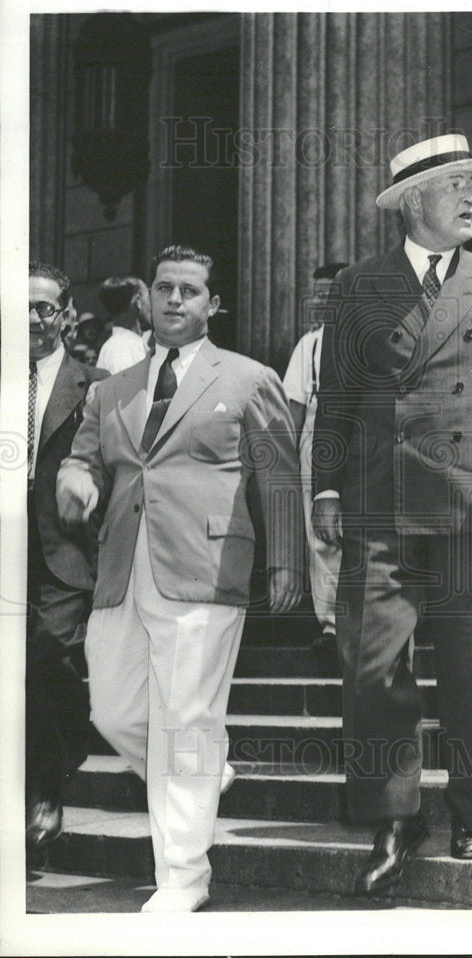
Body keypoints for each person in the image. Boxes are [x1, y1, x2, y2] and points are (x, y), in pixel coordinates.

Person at [312, 133, 472, 894]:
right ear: (414, 201)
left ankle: (471, 807)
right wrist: (325, 487)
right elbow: (337, 394)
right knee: (371, 665)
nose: (470, 196)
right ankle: (394, 818)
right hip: (378, 504)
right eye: (454, 185)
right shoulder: (360, 284)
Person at [56, 244, 303, 913]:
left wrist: (286, 559)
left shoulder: (248, 378)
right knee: (112, 711)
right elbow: (84, 459)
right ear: (147, 298)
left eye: (188, 290)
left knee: (187, 721)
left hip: (206, 568)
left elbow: (280, 475)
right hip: (121, 569)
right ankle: (203, 769)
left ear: (212, 304)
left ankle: (184, 879)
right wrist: (75, 480)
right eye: (163, 287)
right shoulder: (114, 388)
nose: (173, 299)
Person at [26, 262, 108, 853]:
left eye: (44, 307)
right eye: (21, 307)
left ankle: (47, 787)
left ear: (66, 314)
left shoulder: (98, 384)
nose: (33, 318)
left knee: (49, 653)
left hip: (65, 548)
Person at [282, 262, 348, 674]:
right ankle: (332, 625)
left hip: (366, 439)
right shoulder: (310, 345)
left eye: (332, 293)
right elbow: (294, 407)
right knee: (323, 537)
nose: (324, 302)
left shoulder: (371, 336)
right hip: (318, 435)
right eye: (319, 294)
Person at [96, 275, 152, 373]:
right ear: (138, 300)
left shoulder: (129, 345)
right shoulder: (120, 349)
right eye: (148, 297)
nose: (151, 305)